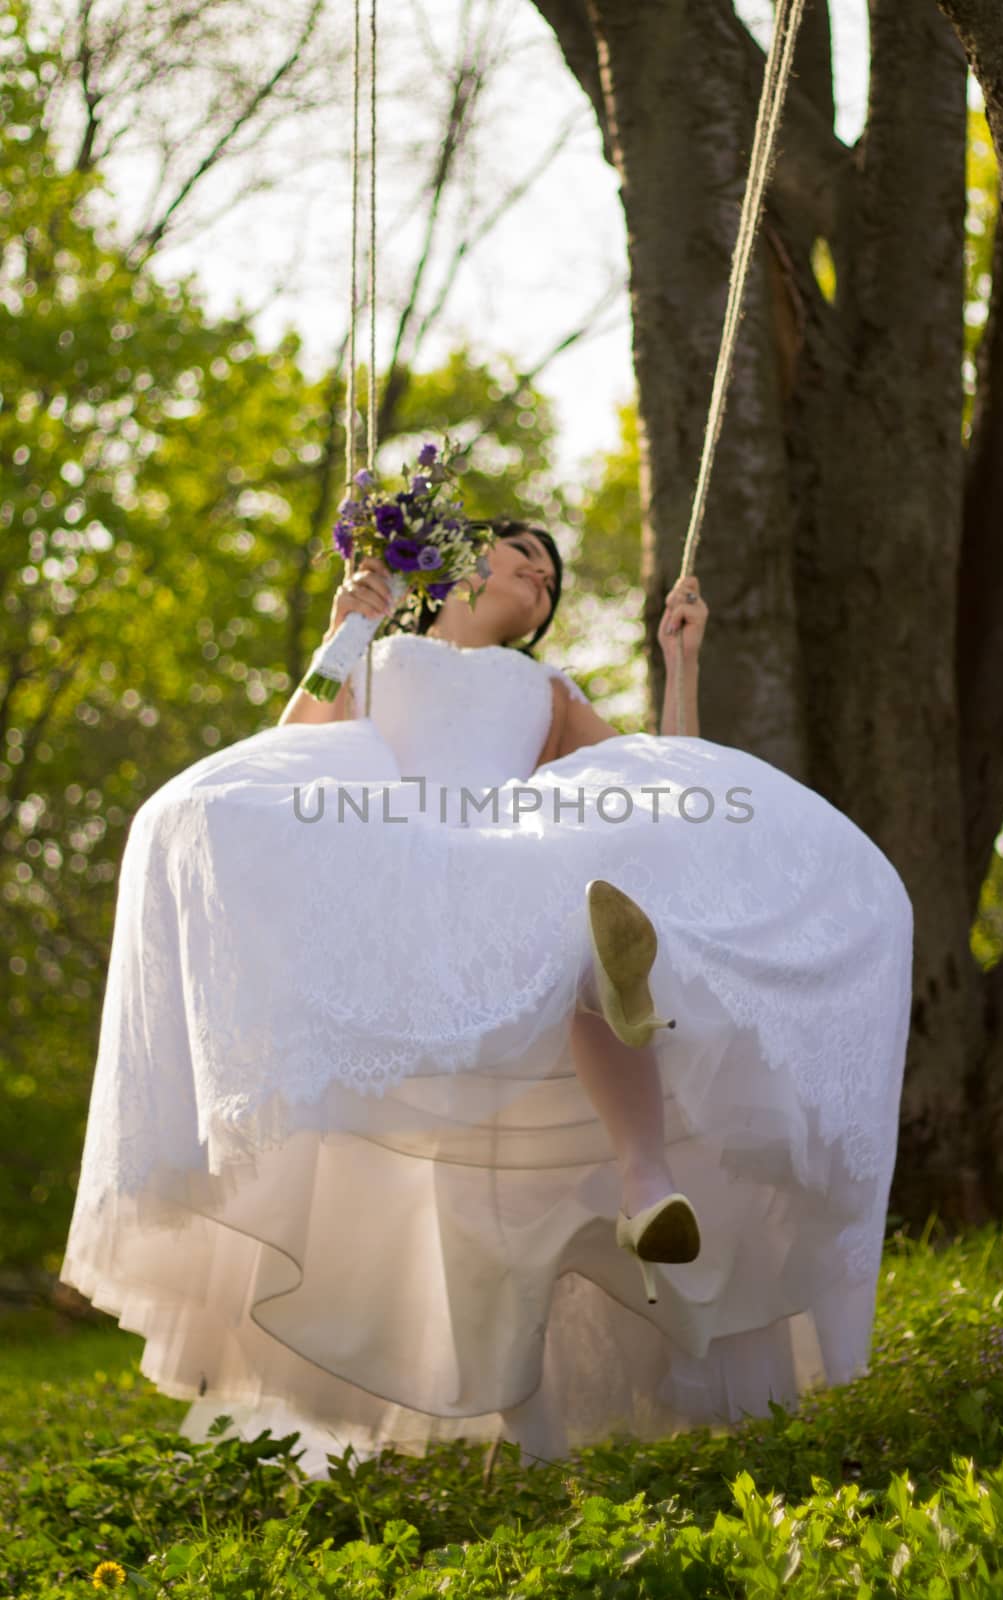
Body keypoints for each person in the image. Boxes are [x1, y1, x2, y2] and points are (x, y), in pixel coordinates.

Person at [59, 518, 914, 1478]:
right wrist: (344, 630)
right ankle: (610, 1061)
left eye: (551, 579)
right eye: (524, 558)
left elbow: (670, 790)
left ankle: (646, 1179)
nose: (541, 579)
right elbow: (292, 744)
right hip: (406, 868)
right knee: (215, 811)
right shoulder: (385, 660)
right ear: (461, 566)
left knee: (583, 920)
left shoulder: (543, 688)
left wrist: (681, 663)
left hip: (509, 870)